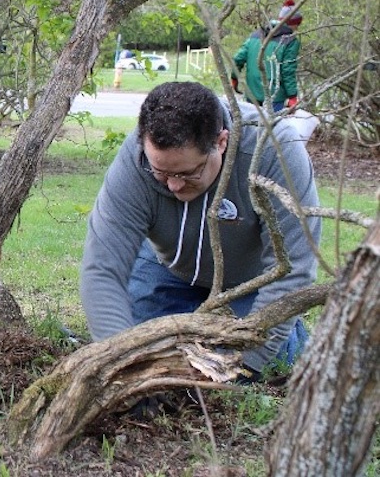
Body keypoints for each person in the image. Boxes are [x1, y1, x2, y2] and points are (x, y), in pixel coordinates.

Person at [79, 81, 320, 382]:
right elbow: (102, 270)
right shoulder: (137, 159)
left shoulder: (274, 148)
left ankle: (287, 334)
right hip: (166, 267)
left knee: (268, 363)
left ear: (221, 142)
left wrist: (238, 366)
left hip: (250, 281)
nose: (174, 185)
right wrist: (121, 369)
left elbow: (294, 269)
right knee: (147, 351)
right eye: (161, 173)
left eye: (187, 173)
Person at [232, 0, 303, 112]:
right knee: (270, 128)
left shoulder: (256, 34)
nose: (297, 28)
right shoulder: (290, 41)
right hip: (275, 96)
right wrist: (293, 97)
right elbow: (287, 71)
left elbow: (237, 59)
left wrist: (234, 79)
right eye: (298, 24)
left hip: (252, 94)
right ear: (293, 23)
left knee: (252, 127)